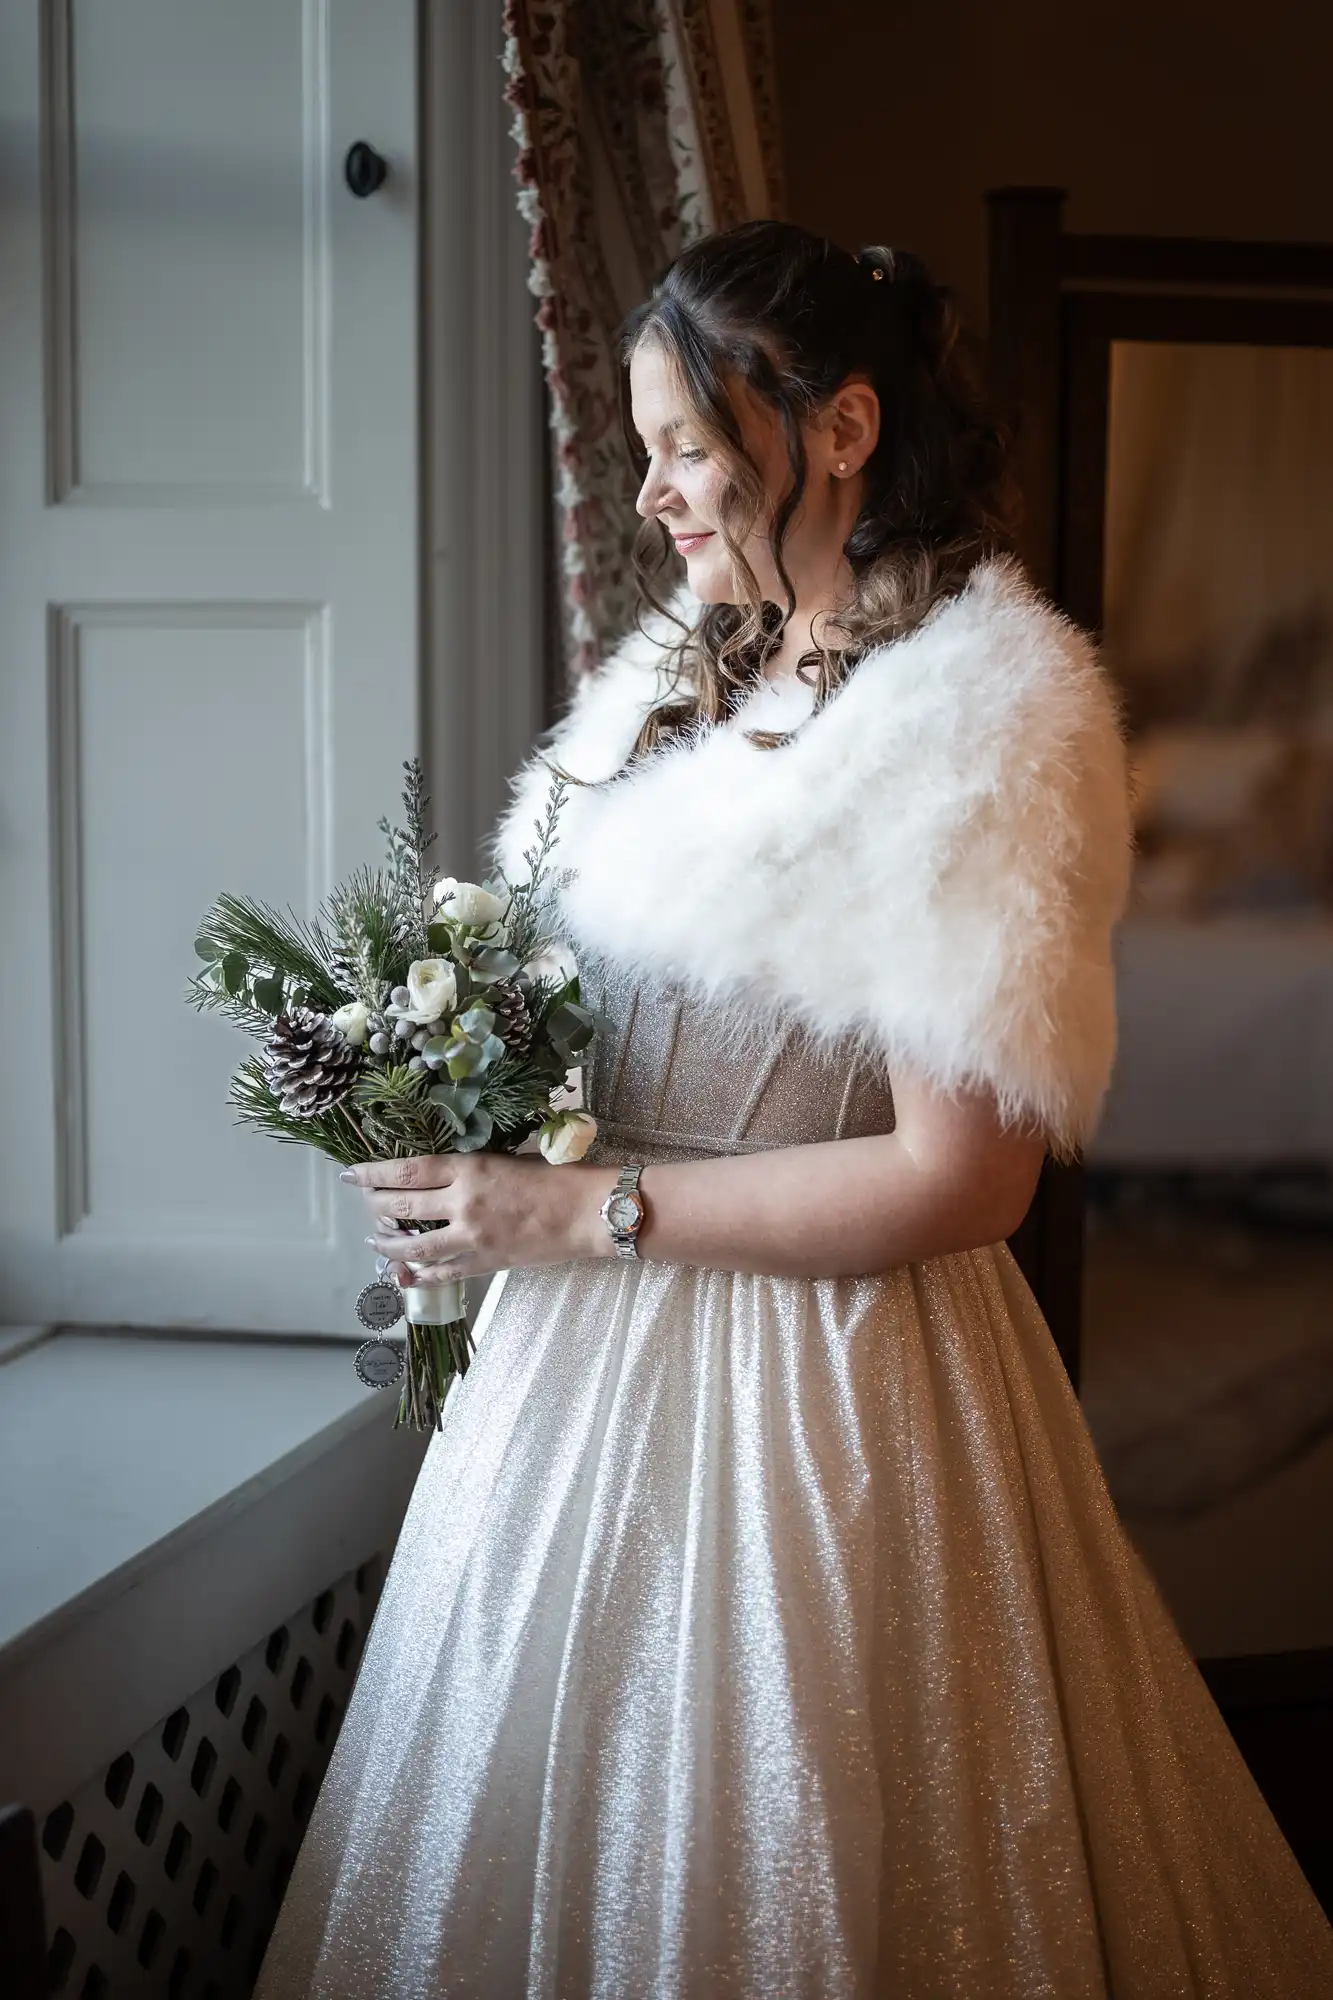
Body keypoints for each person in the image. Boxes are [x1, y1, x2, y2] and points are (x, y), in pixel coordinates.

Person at [256, 222, 1333, 1997]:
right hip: (571, 1382)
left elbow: (965, 1177)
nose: (658, 493)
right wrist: (474, 1137)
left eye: (689, 444)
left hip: (828, 1396)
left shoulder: (973, 717)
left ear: (838, 427)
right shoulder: (683, 679)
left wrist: (580, 1216)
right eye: (648, 447)